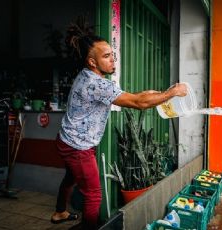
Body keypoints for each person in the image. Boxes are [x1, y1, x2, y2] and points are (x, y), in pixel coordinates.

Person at [50, 21, 187, 229]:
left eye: (112, 54)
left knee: (71, 178)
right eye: (106, 56)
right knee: (94, 194)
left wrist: (157, 94)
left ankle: (60, 212)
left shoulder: (88, 76)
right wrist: (172, 93)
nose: (113, 59)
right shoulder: (96, 84)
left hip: (67, 140)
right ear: (92, 62)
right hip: (78, 146)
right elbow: (138, 103)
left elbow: (134, 97)